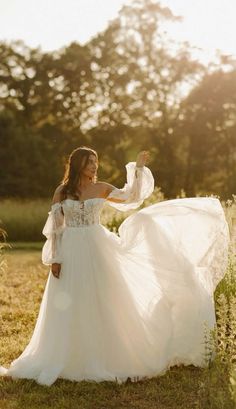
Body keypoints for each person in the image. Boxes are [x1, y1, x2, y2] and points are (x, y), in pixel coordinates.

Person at [0, 146, 229, 386]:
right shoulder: (62, 191)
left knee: (103, 298)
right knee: (69, 299)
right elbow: (56, 229)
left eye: (96, 161)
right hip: (70, 250)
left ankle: (105, 353)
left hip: (97, 248)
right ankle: (67, 354)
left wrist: (138, 169)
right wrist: (54, 259)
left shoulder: (101, 188)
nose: (94, 166)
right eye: (89, 162)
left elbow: (130, 197)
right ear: (78, 164)